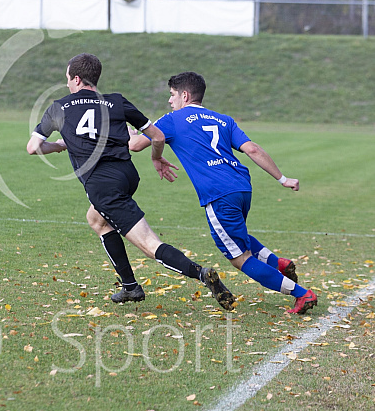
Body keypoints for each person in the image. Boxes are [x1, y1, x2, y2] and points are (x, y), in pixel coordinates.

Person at [26, 54, 235, 310]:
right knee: (96, 219)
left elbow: (33, 147)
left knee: (149, 244)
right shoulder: (115, 101)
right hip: (127, 175)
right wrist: (157, 159)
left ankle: (202, 274)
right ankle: (129, 287)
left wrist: (59, 145)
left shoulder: (59, 107)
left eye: (68, 78)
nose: (67, 83)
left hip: (102, 185)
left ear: (77, 79)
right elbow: (157, 137)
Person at [128, 71, 317, 314]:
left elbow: (136, 146)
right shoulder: (224, 119)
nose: (170, 101)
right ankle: (278, 263)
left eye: (172, 95)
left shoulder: (172, 119)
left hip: (217, 193)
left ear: (184, 95)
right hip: (241, 186)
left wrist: (133, 135)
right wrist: (283, 178)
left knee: (239, 258)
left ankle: (303, 294)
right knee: (239, 237)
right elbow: (253, 149)